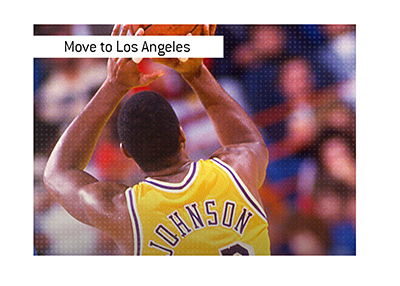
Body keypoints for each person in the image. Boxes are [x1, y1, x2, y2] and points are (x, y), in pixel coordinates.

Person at [43, 24, 270, 255]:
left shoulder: (125, 212)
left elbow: (57, 173)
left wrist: (113, 85)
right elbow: (249, 143)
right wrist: (196, 72)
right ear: (182, 134)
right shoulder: (237, 170)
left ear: (127, 152)